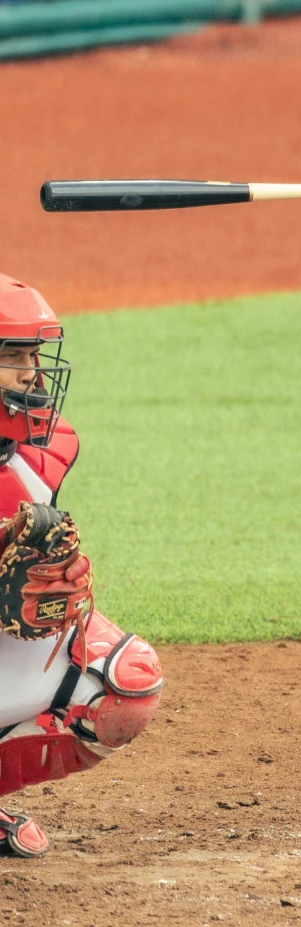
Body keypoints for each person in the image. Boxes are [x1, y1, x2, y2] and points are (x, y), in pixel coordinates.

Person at [0, 275, 165, 860]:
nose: (33, 374)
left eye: (34, 356)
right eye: (13, 356)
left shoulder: (43, 452)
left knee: (123, 685)